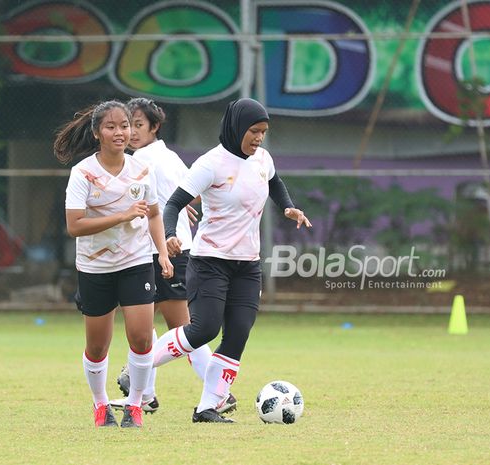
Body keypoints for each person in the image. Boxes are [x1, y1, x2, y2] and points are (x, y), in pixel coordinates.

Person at [152, 98, 311, 423]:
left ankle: (207, 407)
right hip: (210, 261)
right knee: (204, 329)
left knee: (238, 332)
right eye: (253, 131)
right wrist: (170, 234)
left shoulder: (263, 159)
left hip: (247, 265)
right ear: (236, 127)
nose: (258, 138)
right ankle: (140, 365)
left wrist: (287, 207)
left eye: (263, 132)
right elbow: (172, 204)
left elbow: (274, 182)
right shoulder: (211, 164)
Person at [110, 98, 237, 415]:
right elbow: (193, 192)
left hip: (165, 250)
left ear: (154, 127)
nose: (132, 131)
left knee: (183, 327)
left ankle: (220, 394)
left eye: (138, 125)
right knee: (144, 321)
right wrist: (178, 212)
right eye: (128, 125)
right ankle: (147, 394)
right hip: (160, 248)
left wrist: (170, 233)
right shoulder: (168, 156)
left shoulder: (143, 159)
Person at [53, 100, 174, 428]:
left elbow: (153, 213)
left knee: (142, 338)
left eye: (127, 125)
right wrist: (121, 216)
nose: (122, 132)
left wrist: (161, 252)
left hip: (135, 262)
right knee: (97, 345)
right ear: (97, 133)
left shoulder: (141, 170)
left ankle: (134, 405)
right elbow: (74, 226)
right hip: (95, 267)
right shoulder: (83, 174)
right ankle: (100, 403)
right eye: (112, 127)